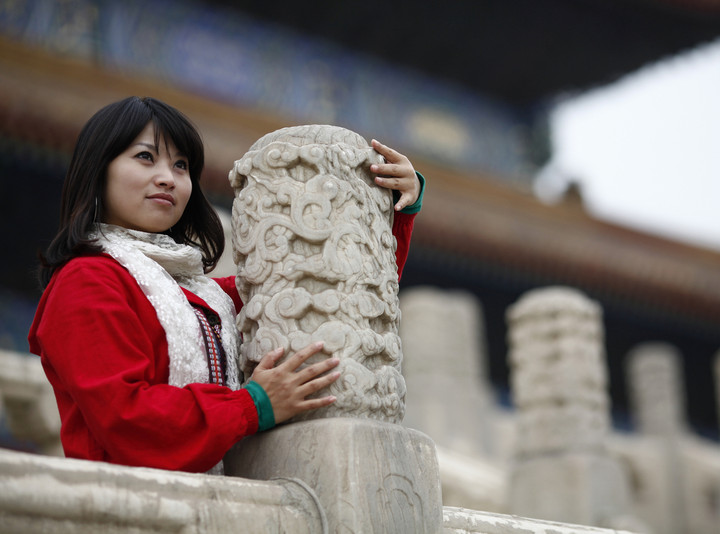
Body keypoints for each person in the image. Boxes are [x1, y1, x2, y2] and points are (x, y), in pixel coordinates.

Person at [28, 96, 424, 473]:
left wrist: (396, 206)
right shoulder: (84, 281)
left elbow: (333, 290)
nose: (167, 178)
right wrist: (251, 406)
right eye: (145, 157)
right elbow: (125, 418)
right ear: (99, 170)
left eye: (181, 166)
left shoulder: (208, 297)